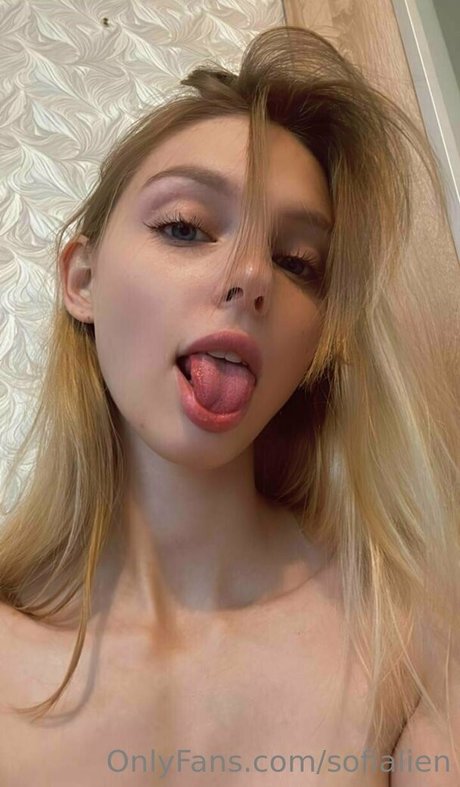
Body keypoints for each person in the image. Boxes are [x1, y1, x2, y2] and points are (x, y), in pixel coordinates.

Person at [0, 25, 458, 786]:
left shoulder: (405, 640)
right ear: (82, 279)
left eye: (296, 261)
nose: (252, 276)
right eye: (185, 227)